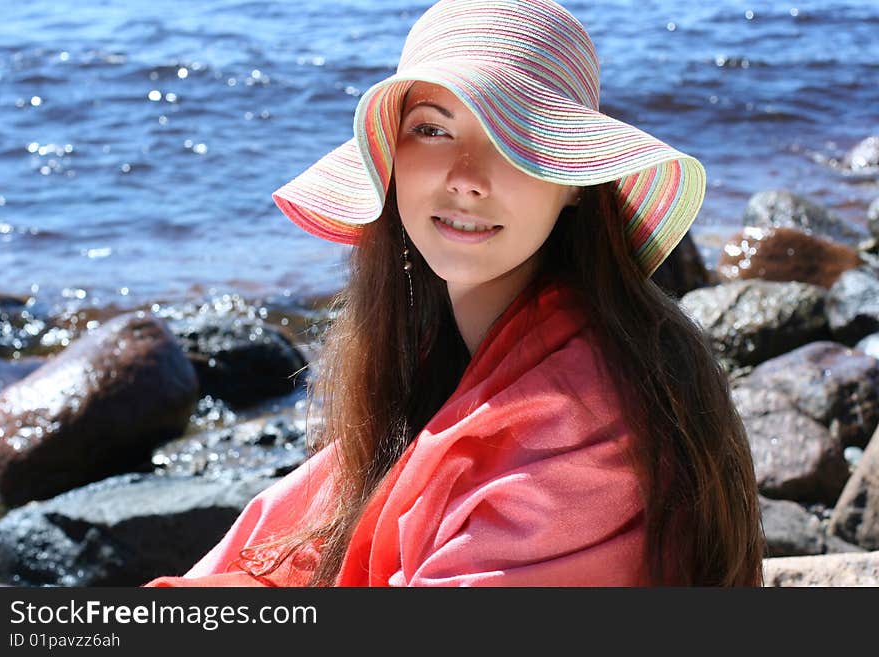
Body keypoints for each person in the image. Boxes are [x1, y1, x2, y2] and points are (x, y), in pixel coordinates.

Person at [145, 0, 764, 587]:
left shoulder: (572, 422)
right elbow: (291, 542)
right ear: (390, 163)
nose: (466, 178)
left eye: (516, 137)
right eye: (433, 131)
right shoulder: (447, 371)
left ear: (574, 181)